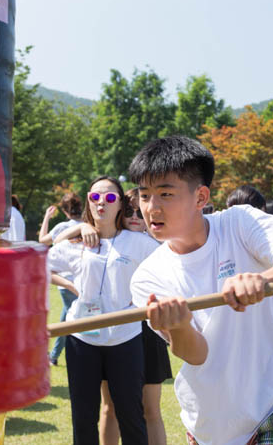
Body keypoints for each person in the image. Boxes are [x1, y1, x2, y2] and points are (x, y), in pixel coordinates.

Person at [128, 136, 273, 445]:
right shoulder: (147, 277)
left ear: (200, 197)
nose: (152, 207)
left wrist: (265, 280)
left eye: (165, 193)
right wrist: (178, 325)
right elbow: (196, 353)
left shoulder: (239, 223)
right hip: (210, 424)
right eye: (145, 195)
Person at [48, 176, 158, 445]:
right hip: (81, 339)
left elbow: (172, 260)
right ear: (88, 200)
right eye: (95, 197)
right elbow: (39, 260)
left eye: (109, 198)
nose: (101, 203)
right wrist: (70, 284)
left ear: (120, 204)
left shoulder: (137, 242)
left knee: (130, 415)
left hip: (125, 338)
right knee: (83, 418)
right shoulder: (77, 243)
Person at [99, 187, 171, 445]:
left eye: (139, 212)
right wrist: (82, 229)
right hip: (114, 332)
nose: (134, 217)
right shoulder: (105, 241)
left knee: (150, 409)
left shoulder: (162, 247)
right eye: (128, 211)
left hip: (148, 331)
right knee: (110, 407)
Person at [39, 193, 83, 366]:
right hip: (84, 280)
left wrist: (46, 218)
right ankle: (55, 355)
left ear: (65, 210)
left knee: (68, 321)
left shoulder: (63, 226)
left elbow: (43, 241)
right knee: (75, 319)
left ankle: (55, 355)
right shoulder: (89, 225)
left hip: (65, 282)